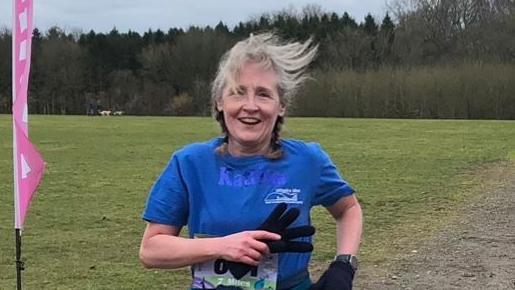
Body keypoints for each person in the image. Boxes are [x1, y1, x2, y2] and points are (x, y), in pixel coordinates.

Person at [139, 32, 363, 290]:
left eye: (264, 94)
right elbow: (151, 250)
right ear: (219, 102)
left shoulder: (308, 160)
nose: (250, 105)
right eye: (238, 92)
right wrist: (224, 246)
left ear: (281, 106)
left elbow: (348, 209)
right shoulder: (189, 163)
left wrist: (343, 265)